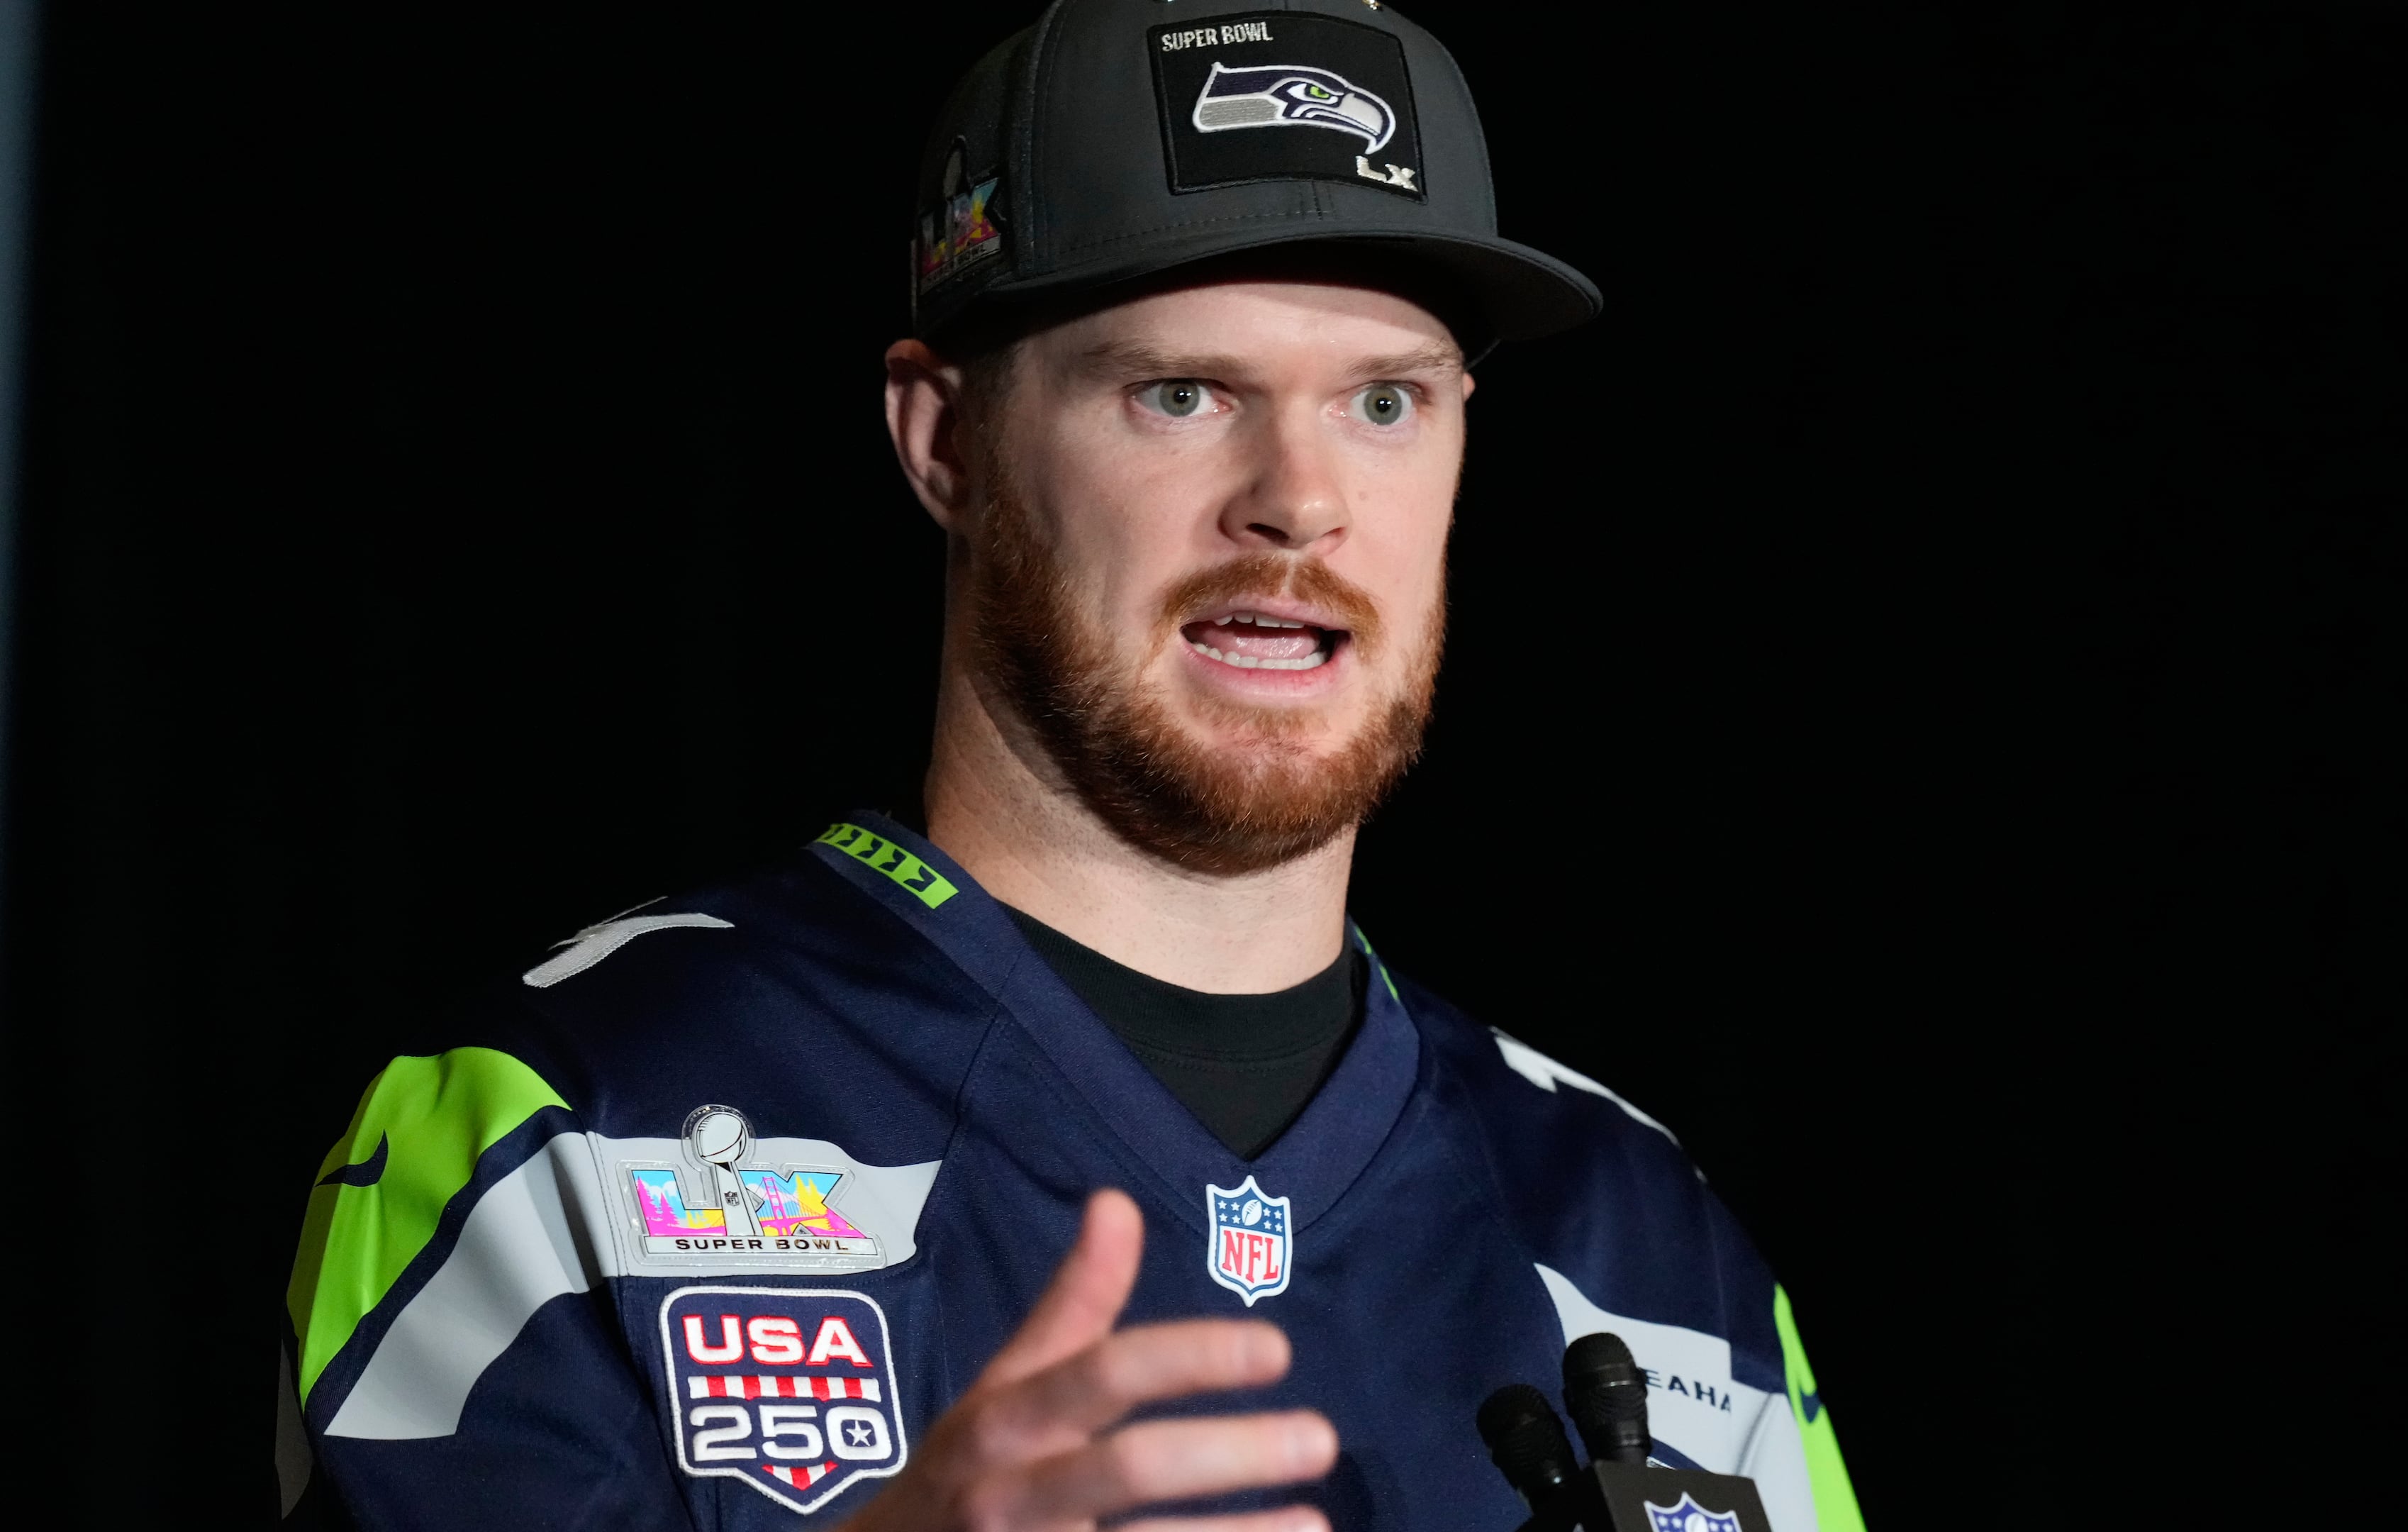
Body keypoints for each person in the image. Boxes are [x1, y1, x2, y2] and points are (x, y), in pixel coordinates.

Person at [279, 4, 1864, 1528]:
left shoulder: (1651, 1247)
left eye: (1384, 401)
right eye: (1180, 393)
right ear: (945, 443)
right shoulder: (565, 1122)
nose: (1300, 500)